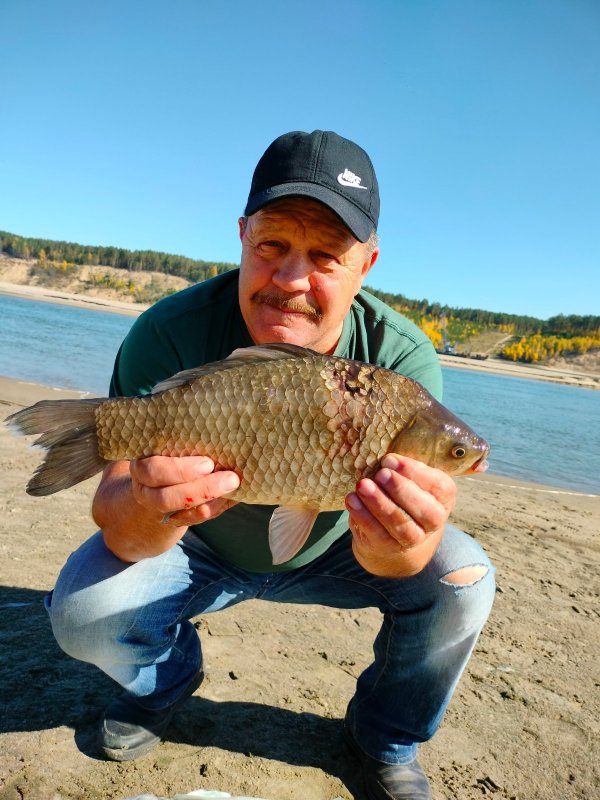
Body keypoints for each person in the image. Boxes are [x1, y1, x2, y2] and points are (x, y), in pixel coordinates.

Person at [46, 130, 495, 800]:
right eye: (272, 246)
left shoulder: (401, 364)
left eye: (325, 256)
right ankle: (165, 684)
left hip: (340, 549)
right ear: (241, 234)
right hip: (199, 546)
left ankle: (384, 738)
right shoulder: (168, 332)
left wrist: (400, 542)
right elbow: (115, 520)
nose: (291, 280)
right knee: (83, 610)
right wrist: (149, 509)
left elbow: (402, 564)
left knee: (464, 579)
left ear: (366, 264)